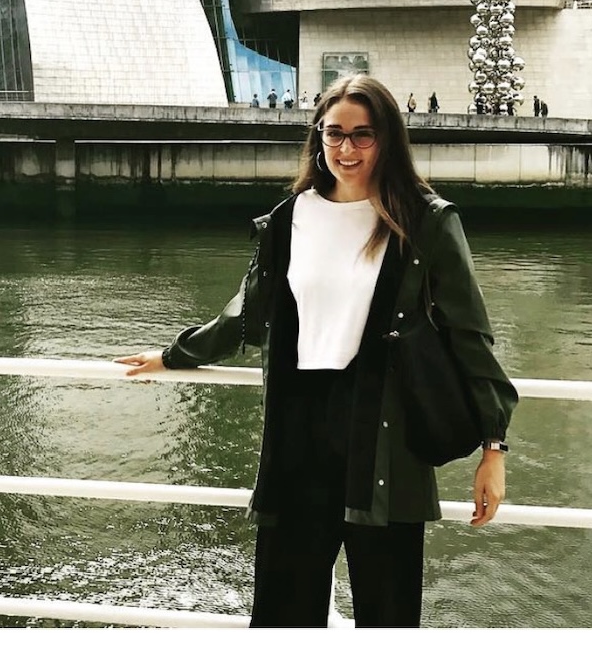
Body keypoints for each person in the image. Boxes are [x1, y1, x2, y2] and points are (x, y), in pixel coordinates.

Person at [115, 74, 518, 628]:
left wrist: (493, 449)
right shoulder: (289, 219)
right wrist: (173, 355)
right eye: (334, 133)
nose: (346, 149)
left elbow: (471, 338)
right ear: (318, 137)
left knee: (388, 615)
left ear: (388, 139)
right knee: (283, 612)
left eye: (363, 135)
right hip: (299, 432)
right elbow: (245, 315)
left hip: (384, 437)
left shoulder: (426, 222)